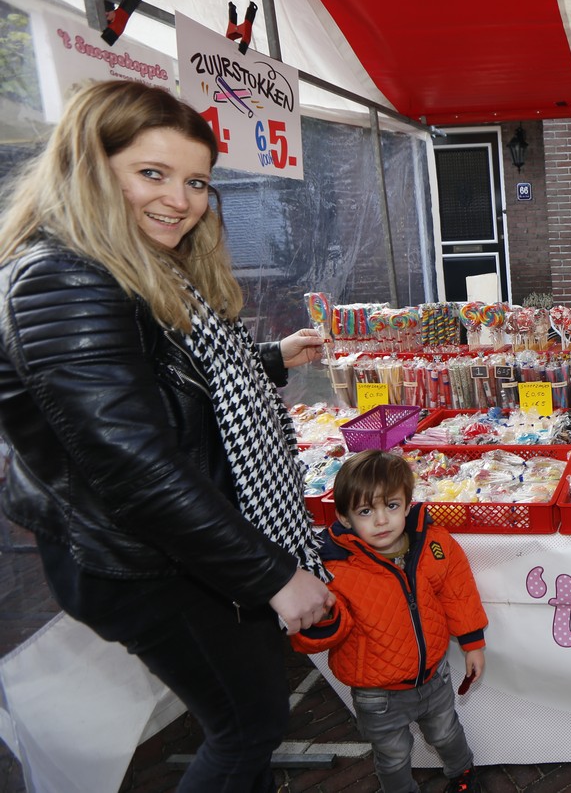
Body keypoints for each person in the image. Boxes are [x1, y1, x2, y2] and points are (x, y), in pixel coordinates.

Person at [0, 79, 334, 792]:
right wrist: (272, 574)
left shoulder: (130, 262)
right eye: (151, 173)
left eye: (196, 182)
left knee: (249, 719)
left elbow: (158, 377)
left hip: (180, 543)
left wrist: (269, 359)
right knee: (247, 727)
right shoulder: (64, 280)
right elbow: (134, 463)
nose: (179, 200)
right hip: (147, 557)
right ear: (90, 168)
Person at [291, 449, 488, 793]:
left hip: (433, 677)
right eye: (366, 511)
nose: (381, 520)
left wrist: (472, 642)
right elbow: (320, 632)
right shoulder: (333, 567)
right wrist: (320, 618)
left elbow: (457, 592)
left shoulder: (432, 544)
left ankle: (463, 773)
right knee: (393, 756)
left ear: (408, 504)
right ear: (345, 517)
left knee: (446, 733)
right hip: (377, 693)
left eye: (392, 506)